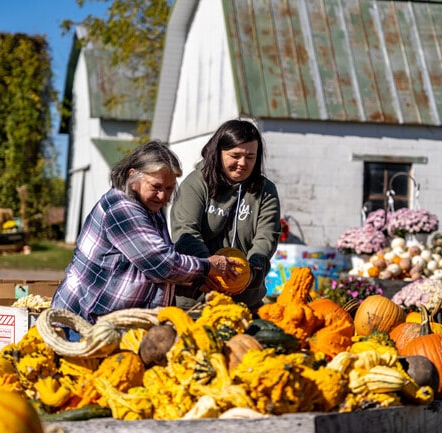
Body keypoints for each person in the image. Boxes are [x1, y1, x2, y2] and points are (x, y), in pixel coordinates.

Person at [51, 141, 241, 326]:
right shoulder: (121, 207)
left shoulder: (150, 209)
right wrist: (208, 266)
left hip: (111, 325)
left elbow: (145, 268)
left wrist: (197, 281)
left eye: (169, 189)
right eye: (156, 187)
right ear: (133, 176)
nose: (163, 196)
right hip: (81, 323)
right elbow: (161, 264)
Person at [170, 119, 281, 313]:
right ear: (218, 153)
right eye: (235, 155)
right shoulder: (196, 184)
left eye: (250, 157)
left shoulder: (266, 190)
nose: (242, 163)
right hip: (196, 301)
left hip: (245, 302)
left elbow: (266, 237)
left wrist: (252, 272)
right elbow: (186, 231)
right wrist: (208, 269)